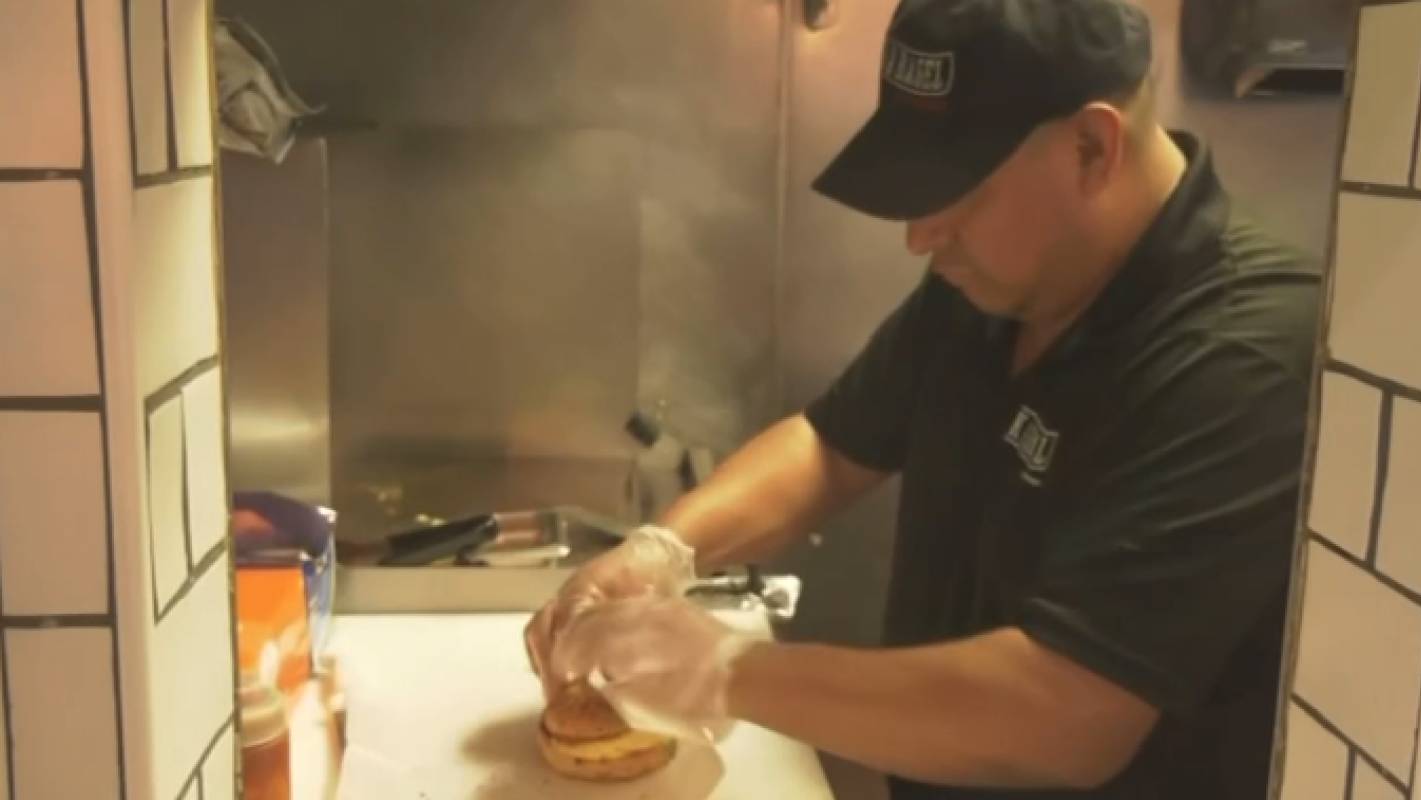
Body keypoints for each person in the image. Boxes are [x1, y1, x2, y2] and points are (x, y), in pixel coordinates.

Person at [524, 0, 1321, 796]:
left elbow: (1068, 713)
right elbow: (833, 445)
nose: (919, 236)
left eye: (959, 190)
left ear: (1091, 146)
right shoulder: (998, 279)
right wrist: (662, 552)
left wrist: (726, 669)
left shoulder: (1242, 355)